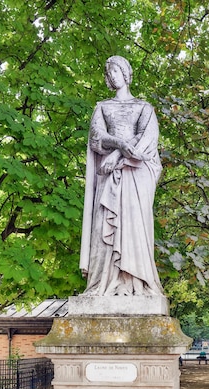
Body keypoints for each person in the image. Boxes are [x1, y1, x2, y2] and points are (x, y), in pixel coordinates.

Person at [80, 56, 164, 296]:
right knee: (104, 228)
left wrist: (118, 154)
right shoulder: (103, 107)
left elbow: (147, 140)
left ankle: (136, 281)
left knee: (134, 225)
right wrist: (118, 145)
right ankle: (104, 283)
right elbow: (97, 138)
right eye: (109, 72)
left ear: (126, 73)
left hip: (135, 175)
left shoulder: (144, 108)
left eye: (116, 70)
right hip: (109, 178)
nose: (113, 75)